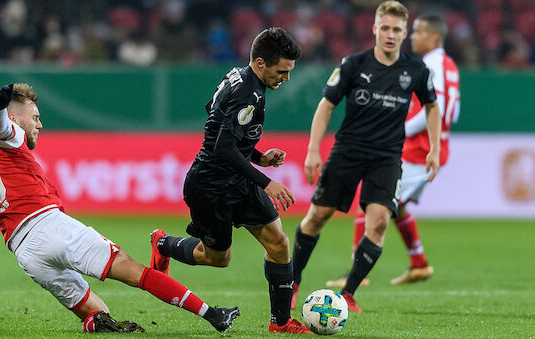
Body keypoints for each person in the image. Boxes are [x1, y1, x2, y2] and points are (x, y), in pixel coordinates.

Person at [0, 83, 240, 333]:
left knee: (98, 313)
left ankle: (95, 323)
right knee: (133, 270)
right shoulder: (7, 132)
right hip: (50, 228)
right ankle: (212, 314)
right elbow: (2, 128)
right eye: (35, 117)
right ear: (15, 117)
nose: (39, 124)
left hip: (26, 253)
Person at [149, 27, 311, 334]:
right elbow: (222, 146)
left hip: (238, 181)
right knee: (218, 258)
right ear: (261, 63)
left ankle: (280, 322)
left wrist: (259, 156)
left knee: (278, 243)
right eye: (282, 71)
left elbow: (215, 117)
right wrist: (266, 181)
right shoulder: (248, 92)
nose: (286, 78)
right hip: (209, 187)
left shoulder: (236, 76)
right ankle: (164, 243)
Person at [289, 1, 441, 312]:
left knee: (380, 223)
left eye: (396, 30)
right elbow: (326, 105)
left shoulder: (416, 70)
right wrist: (313, 149)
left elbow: (432, 106)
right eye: (384, 28)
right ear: (374, 29)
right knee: (318, 217)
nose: (390, 34)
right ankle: (292, 281)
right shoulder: (353, 64)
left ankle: (348, 294)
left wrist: (435, 148)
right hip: (347, 152)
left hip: (386, 158)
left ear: (404, 33)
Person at [325, 13, 461, 288]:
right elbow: (453, 112)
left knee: (374, 199)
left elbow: (436, 110)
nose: (412, 36)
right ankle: (419, 263)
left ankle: (356, 273)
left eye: (418, 32)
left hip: (418, 149)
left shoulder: (430, 64)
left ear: (434, 37)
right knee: (394, 204)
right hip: (428, 145)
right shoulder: (449, 66)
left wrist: (403, 130)